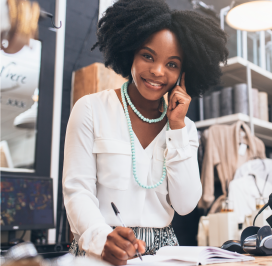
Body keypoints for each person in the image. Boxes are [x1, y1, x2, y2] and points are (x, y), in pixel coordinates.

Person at [62, 0, 228, 264]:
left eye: (172, 64)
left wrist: (176, 128)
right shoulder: (91, 109)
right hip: (102, 249)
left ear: (184, 73)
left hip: (164, 255)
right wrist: (101, 238)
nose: (157, 71)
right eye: (147, 56)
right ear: (130, 53)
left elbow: (185, 205)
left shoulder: (185, 129)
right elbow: (77, 190)